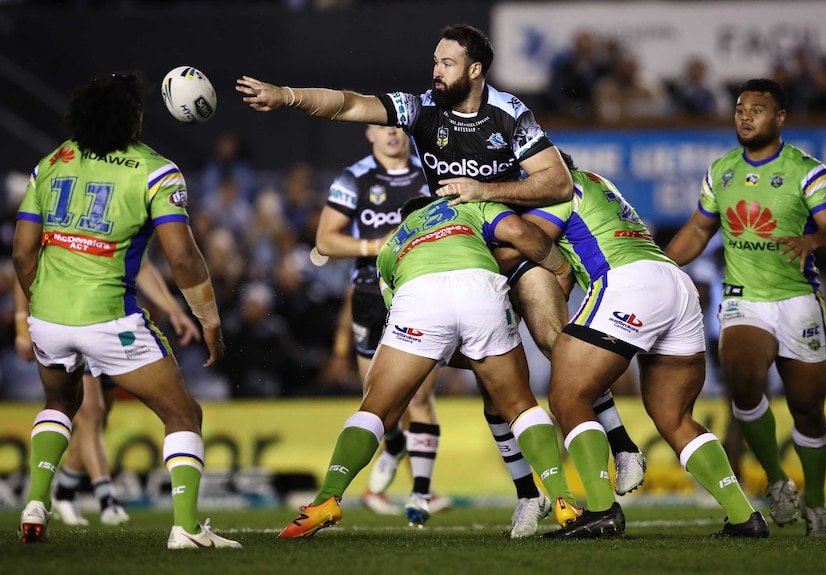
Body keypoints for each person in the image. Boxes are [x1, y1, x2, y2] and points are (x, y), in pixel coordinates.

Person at [237, 23, 646, 537]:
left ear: (475, 70)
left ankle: (622, 444)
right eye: (434, 61)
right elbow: (349, 104)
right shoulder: (421, 109)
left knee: (554, 344)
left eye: (446, 63)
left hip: (515, 237)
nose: (435, 70)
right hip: (468, 249)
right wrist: (288, 96)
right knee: (494, 388)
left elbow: (557, 181)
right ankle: (531, 496)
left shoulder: (509, 113)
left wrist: (485, 189)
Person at [14, 72, 240, 549]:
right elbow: (182, 257)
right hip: (110, 318)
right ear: (133, 118)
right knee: (183, 415)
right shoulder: (155, 170)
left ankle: (37, 501)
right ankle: (186, 528)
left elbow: (21, 253)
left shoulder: (52, 163)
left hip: (47, 318)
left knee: (60, 404)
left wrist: (42, 305)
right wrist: (209, 318)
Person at [279, 194, 583, 538]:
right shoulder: (467, 204)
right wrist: (560, 268)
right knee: (520, 405)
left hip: (419, 297)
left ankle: (326, 498)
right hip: (480, 288)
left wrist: (445, 350)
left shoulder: (391, 245)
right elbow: (518, 231)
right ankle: (563, 499)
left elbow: (399, 313)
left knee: (375, 409)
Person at [521, 151, 768, 540]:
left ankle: (601, 511)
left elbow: (521, 242)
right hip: (674, 282)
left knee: (568, 396)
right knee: (674, 417)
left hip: (625, 282)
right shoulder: (601, 183)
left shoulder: (556, 190)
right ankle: (744, 517)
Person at [664, 78, 826, 538]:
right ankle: (775, 478)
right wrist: (657, 263)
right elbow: (697, 230)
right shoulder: (721, 171)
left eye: (757, 110)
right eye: (740, 109)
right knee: (744, 383)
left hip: (798, 301)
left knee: (808, 408)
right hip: (743, 299)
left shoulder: (807, 171)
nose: (745, 116)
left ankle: (817, 503)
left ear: (780, 118)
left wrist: (813, 238)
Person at [314, 124, 447, 521]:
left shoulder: (429, 172)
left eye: (397, 126)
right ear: (369, 133)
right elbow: (325, 240)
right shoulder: (355, 178)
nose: (391, 132)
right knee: (375, 399)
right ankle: (392, 445)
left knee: (420, 397)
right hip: (370, 295)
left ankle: (421, 495)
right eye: (382, 126)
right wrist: (379, 245)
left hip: (421, 291)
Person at [13, 259, 202, 527]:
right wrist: (22, 322)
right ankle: (106, 497)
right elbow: (26, 259)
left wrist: (170, 307)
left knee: (96, 417)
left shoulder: (103, 224)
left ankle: (64, 488)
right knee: (91, 411)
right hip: (82, 318)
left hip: (109, 321)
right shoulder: (66, 220)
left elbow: (142, 264)